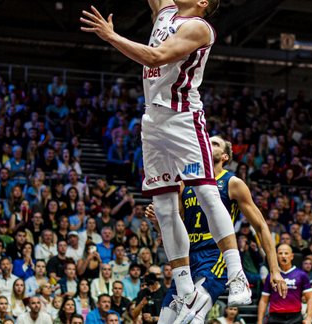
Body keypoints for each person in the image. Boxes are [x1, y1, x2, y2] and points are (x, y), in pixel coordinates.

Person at [81, 2, 252, 324]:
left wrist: (110, 35)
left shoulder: (199, 27)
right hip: (153, 119)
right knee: (163, 205)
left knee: (206, 193)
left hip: (183, 116)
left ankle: (236, 273)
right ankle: (184, 284)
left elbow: (155, 57)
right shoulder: (165, 11)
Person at [150, 136, 286, 324]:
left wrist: (275, 270)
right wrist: (158, 222)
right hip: (188, 256)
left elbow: (262, 227)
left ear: (225, 157)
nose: (208, 144)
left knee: (190, 315)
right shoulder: (186, 183)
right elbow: (177, 227)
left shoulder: (233, 183)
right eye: (207, 141)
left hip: (215, 255)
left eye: (215, 144)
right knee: (165, 320)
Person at [257, 244, 312, 324]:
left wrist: (309, 318)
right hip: (275, 317)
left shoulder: (301, 275)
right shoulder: (271, 276)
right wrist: (259, 321)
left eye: (286, 253)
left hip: (295, 317)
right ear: (276, 256)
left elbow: (310, 297)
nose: (283, 256)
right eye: (280, 253)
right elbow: (264, 300)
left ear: (292, 256)